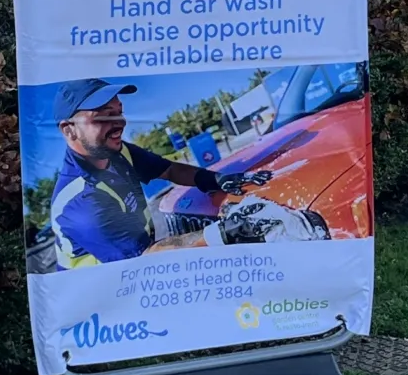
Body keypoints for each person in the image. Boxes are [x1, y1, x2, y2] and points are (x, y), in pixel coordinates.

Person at [45, 79, 270, 265]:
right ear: (69, 130)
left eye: (119, 112)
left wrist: (214, 179)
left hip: (138, 255)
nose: (119, 123)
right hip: (102, 291)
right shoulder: (79, 203)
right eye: (103, 117)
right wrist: (223, 231)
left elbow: (169, 169)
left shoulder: (118, 152)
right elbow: (145, 258)